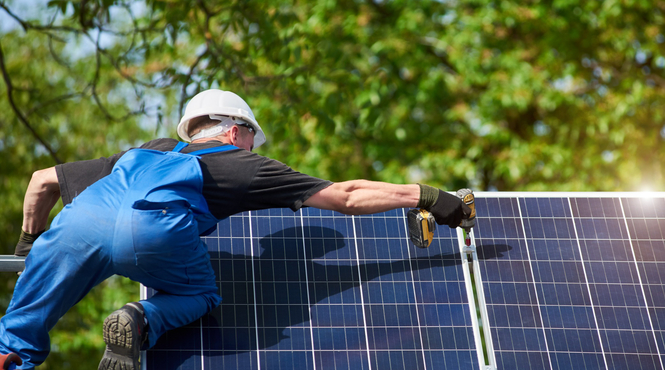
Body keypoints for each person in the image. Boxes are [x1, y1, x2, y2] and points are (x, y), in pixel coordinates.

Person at [0, 89, 471, 370]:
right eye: (250, 135)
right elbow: (345, 196)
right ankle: (138, 320)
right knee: (200, 295)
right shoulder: (243, 165)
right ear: (233, 131)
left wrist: (29, 251)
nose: (252, 143)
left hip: (77, 223)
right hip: (155, 229)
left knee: (16, 335)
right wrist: (427, 196)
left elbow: (43, 182)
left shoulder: (151, 148)